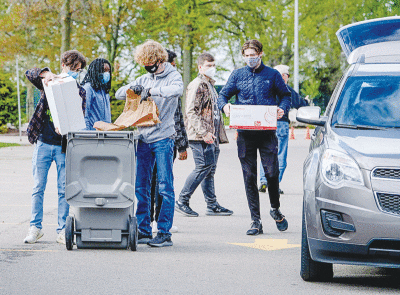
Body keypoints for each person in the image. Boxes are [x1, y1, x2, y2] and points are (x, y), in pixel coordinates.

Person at [218, 40, 291, 235]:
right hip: (245, 134)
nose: (250, 58)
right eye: (247, 55)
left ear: (261, 54)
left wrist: (282, 109)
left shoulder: (272, 75)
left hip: (267, 133)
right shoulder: (237, 75)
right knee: (249, 176)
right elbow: (222, 96)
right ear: (243, 56)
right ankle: (255, 221)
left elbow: (286, 96)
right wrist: (225, 106)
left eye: (253, 54)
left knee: (272, 173)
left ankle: (275, 208)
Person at [116, 40, 183, 247]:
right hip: (143, 139)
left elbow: (176, 90)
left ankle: (164, 232)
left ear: (159, 59)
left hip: (163, 138)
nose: (148, 67)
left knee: (165, 186)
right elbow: (119, 93)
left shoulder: (173, 75)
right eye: (144, 64)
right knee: (141, 186)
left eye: (150, 63)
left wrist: (151, 91)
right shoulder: (144, 77)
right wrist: (134, 88)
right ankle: (144, 229)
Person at [24, 50, 87, 244]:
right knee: (38, 187)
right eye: (73, 68)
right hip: (43, 141)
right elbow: (30, 73)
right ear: (63, 66)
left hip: (62, 146)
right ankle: (35, 227)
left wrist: (67, 128)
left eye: (79, 70)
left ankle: (62, 229)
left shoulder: (80, 91)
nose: (76, 72)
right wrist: (46, 74)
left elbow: (79, 119)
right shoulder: (48, 84)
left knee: (62, 189)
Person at [175, 52, 233, 217]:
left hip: (211, 135)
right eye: (208, 65)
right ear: (200, 67)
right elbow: (190, 111)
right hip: (199, 136)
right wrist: (204, 132)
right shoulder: (198, 84)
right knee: (203, 167)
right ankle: (182, 200)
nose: (212, 68)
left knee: (210, 170)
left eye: (214, 65)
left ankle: (212, 205)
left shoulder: (209, 85)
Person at [150, 49, 188, 233]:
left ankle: (158, 220)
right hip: (158, 138)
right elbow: (176, 118)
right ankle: (153, 219)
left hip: (168, 138)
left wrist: (181, 145)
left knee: (159, 182)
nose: (173, 68)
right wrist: (182, 144)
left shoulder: (172, 83)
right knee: (156, 182)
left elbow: (178, 117)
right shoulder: (155, 82)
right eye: (172, 64)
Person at [258, 65, 309, 194]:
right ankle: (274, 184)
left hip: (266, 124)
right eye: (287, 75)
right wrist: (306, 101)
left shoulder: (265, 88)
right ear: (283, 76)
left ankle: (263, 181)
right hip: (281, 124)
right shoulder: (286, 89)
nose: (287, 78)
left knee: (266, 153)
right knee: (280, 155)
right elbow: (300, 104)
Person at [81, 58, 112, 130]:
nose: (107, 73)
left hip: (104, 135)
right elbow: (84, 115)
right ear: (96, 71)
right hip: (92, 136)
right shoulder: (88, 88)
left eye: (108, 71)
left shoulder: (104, 91)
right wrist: (85, 136)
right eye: (104, 71)